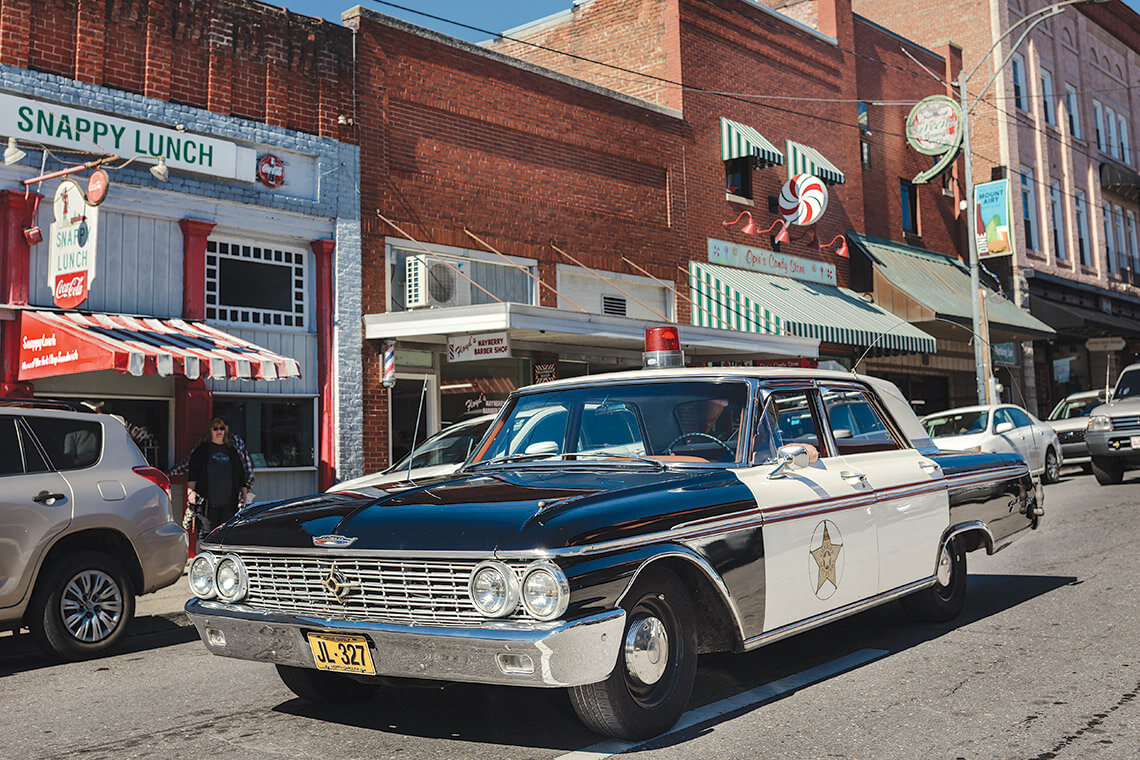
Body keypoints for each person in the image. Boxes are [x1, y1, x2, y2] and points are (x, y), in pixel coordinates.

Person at [185, 417, 249, 538]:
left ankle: (222, 558)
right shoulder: (202, 449)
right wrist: (191, 492)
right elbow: (193, 472)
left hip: (229, 502)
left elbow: (241, 473)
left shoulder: (232, 450)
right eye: (215, 428)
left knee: (226, 534)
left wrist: (244, 493)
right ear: (210, 431)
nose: (219, 431)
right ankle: (204, 557)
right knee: (206, 534)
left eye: (221, 428)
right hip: (207, 502)